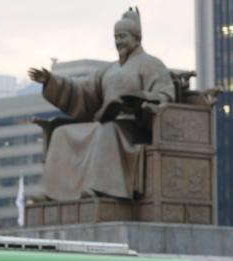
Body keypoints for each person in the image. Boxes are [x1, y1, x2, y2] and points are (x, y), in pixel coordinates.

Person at [27, 8, 175, 200]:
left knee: (107, 131)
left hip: (135, 127)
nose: (118, 41)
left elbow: (164, 96)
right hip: (105, 122)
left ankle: (100, 188)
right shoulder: (108, 70)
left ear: (137, 39)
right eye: (115, 37)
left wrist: (139, 99)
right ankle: (52, 192)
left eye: (123, 36)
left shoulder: (152, 64)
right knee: (61, 133)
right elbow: (82, 91)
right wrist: (51, 81)